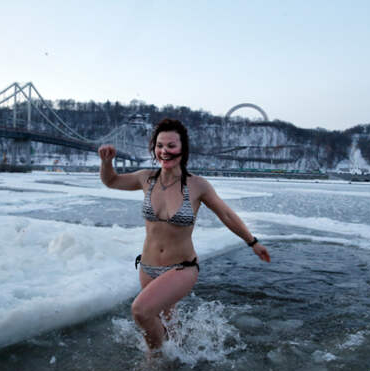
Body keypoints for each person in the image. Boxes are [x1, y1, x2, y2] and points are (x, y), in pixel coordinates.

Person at [98, 118, 270, 351]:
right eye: (160, 145)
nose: (164, 151)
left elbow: (226, 215)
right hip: (148, 267)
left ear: (183, 149)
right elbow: (111, 181)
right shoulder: (146, 178)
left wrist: (253, 242)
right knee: (167, 321)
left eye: (171, 145)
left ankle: (155, 361)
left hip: (182, 267)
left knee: (141, 311)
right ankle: (178, 362)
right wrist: (106, 162)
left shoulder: (198, 185)